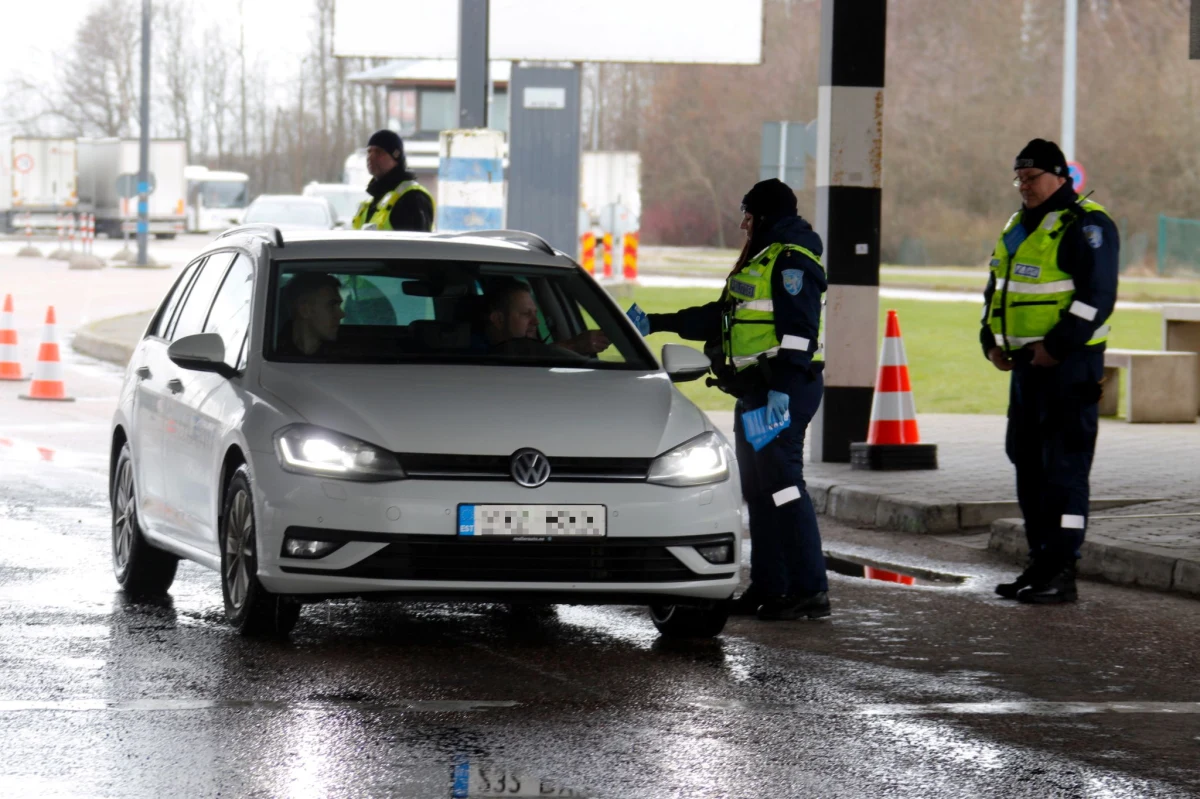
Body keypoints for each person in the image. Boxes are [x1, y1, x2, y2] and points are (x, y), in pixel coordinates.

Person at [637, 178, 830, 621]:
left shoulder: (790, 260)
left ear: (765, 215)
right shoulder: (761, 260)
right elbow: (720, 317)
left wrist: (781, 388)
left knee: (782, 488)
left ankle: (810, 590)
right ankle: (769, 587)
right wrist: (657, 321)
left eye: (748, 214)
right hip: (756, 392)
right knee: (761, 493)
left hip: (778, 391)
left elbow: (800, 333)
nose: (743, 222)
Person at [984, 139, 1119, 605]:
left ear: (1060, 176)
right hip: (1026, 368)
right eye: (1019, 179)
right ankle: (1040, 561)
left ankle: (1063, 568)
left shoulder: (1086, 225)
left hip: (1069, 367)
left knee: (1064, 469)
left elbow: (1096, 296)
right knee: (1027, 462)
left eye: (1033, 178)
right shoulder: (1018, 226)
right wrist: (991, 342)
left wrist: (1057, 347)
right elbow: (997, 291)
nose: (1024, 186)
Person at [481, 278, 610, 356]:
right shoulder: (475, 355)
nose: (536, 322)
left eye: (535, 314)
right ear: (498, 319)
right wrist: (574, 345)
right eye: (526, 314)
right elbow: (517, 355)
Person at [352, 130, 435, 232]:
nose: (371, 157)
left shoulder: (412, 197)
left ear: (396, 156)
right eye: (369, 151)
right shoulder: (371, 203)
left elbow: (416, 246)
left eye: (379, 152)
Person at [277, 272, 345, 356]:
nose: (342, 314)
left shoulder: (345, 355)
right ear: (304, 310)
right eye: (331, 305)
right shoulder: (273, 351)